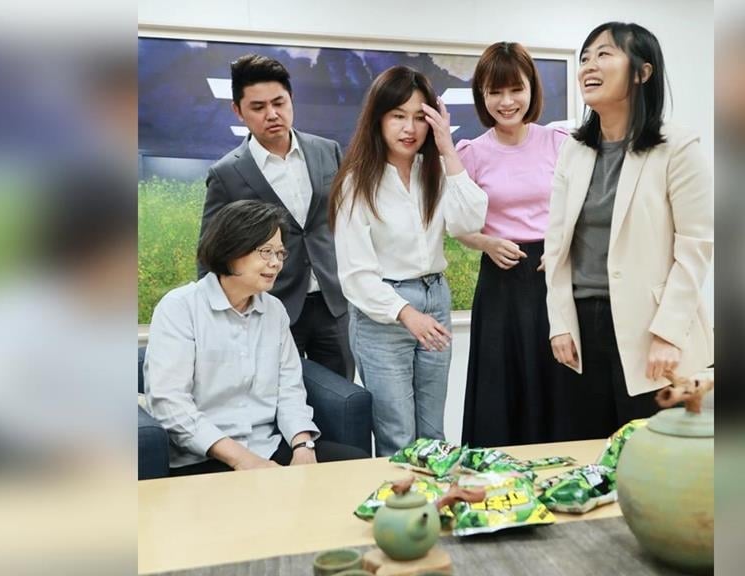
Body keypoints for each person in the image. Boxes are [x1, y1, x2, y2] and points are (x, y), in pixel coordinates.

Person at [545, 22, 714, 439]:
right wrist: (559, 322)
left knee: (655, 455)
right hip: (583, 328)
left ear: (642, 72)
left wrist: (668, 334)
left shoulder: (677, 147)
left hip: (651, 329)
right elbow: (557, 242)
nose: (589, 66)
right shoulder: (574, 149)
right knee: (589, 454)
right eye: (585, 57)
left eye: (604, 54)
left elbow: (696, 248)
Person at [329, 66, 488, 456]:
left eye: (420, 117)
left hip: (435, 299)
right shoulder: (356, 182)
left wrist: (447, 148)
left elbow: (470, 220)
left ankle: (433, 497)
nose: (409, 128)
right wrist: (405, 313)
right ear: (378, 118)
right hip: (383, 313)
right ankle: (399, 498)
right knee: (397, 435)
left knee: (433, 432)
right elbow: (356, 275)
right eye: (398, 115)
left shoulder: (434, 171)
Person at [146, 200, 368, 475]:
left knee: (355, 466)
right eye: (265, 252)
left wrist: (303, 446)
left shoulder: (274, 311)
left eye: (280, 253)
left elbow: (289, 390)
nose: (276, 263)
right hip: (203, 455)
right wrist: (243, 460)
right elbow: (171, 405)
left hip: (268, 446)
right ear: (231, 250)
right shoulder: (179, 308)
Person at [199, 54, 353, 380]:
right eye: (258, 107)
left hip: (333, 306)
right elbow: (209, 254)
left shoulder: (327, 151)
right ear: (238, 111)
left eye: (279, 103)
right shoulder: (226, 174)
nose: (272, 114)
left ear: (291, 99)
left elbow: (347, 223)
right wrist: (215, 319)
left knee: (344, 398)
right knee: (277, 398)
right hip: (269, 308)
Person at [453, 42, 569, 447]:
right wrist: (487, 243)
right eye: (495, 92)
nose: (507, 102)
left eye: (516, 89)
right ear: (482, 96)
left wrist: (560, 248)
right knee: (499, 384)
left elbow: (580, 210)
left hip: (552, 274)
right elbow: (454, 224)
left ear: (532, 89)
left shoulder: (559, 142)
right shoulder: (470, 153)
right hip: (500, 279)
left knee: (557, 382)